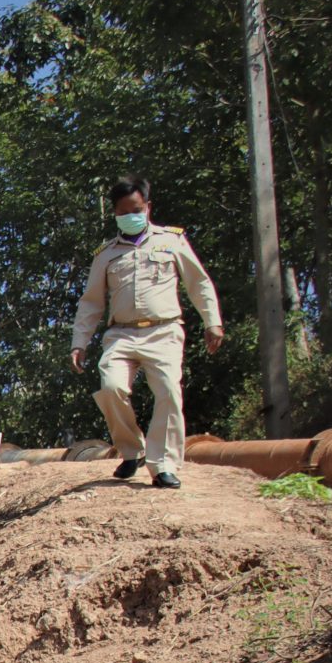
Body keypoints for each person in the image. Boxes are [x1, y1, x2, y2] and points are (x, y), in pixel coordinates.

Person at [71, 175, 223, 490]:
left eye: (137, 209)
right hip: (121, 335)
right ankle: (132, 451)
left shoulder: (172, 241)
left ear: (148, 207)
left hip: (163, 331)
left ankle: (163, 465)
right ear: (114, 214)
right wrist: (79, 343)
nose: (132, 216)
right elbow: (91, 303)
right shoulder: (106, 255)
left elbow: (199, 283)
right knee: (111, 387)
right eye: (124, 212)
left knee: (168, 391)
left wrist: (212, 321)